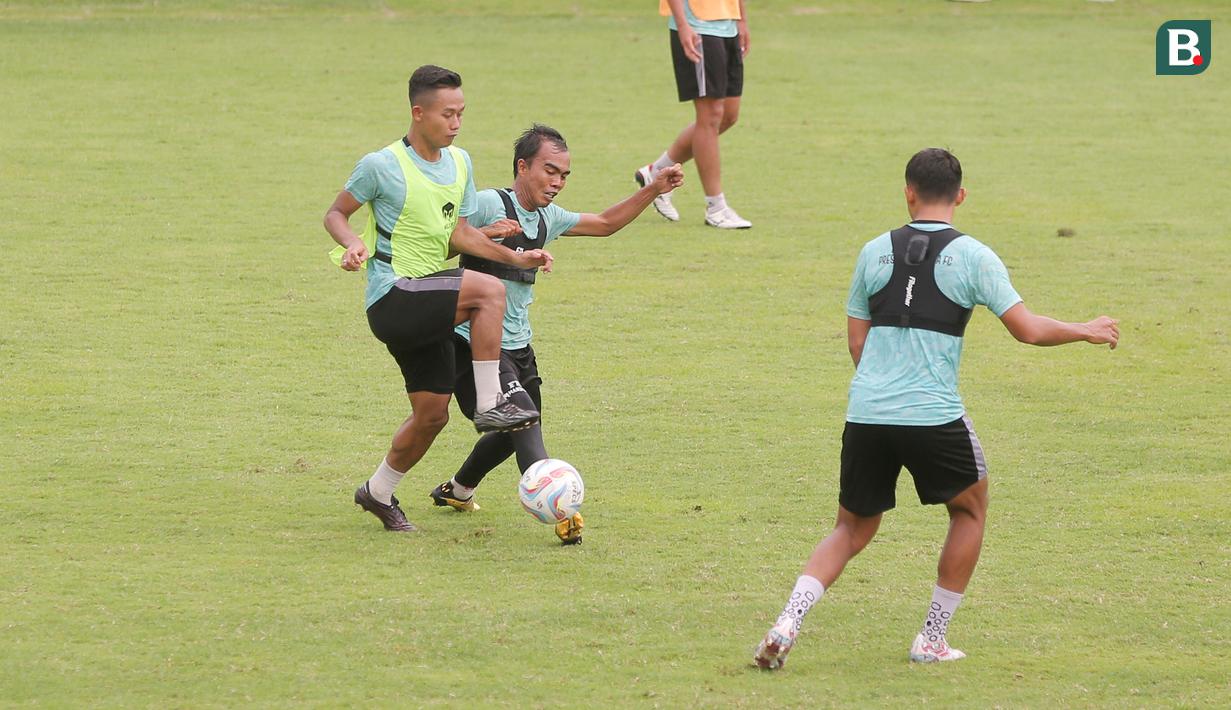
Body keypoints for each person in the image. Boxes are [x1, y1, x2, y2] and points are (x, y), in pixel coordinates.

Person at [753, 148, 1121, 669]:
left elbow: (857, 343)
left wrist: (884, 390)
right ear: (961, 196)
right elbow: (1027, 330)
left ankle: (787, 622)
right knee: (969, 509)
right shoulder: (975, 257)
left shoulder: (873, 251)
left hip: (867, 412)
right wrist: (1085, 329)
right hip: (932, 414)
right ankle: (931, 637)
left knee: (850, 529)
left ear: (908, 192)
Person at [424, 124, 684, 544]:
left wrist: (653, 189)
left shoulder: (548, 218)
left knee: (514, 432)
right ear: (522, 167)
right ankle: (561, 509)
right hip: (475, 346)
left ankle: (458, 490)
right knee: (523, 421)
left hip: (519, 347)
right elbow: (442, 243)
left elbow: (604, 223)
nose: (557, 182)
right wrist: (487, 235)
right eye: (550, 171)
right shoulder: (489, 203)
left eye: (564, 175)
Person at [324, 65, 553, 533]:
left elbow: (462, 234)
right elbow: (336, 213)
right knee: (488, 290)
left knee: (432, 415)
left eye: (461, 113)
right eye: (447, 114)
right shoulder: (381, 165)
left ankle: (377, 492)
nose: (456, 123)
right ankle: (490, 401)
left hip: (431, 301)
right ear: (418, 113)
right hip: (393, 295)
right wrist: (352, 243)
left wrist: (516, 257)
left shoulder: (461, 162)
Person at [634, 0, 751, 229]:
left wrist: (742, 19)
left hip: (728, 24)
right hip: (697, 26)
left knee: (728, 116)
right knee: (710, 116)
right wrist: (683, 25)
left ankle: (656, 171)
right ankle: (716, 208)